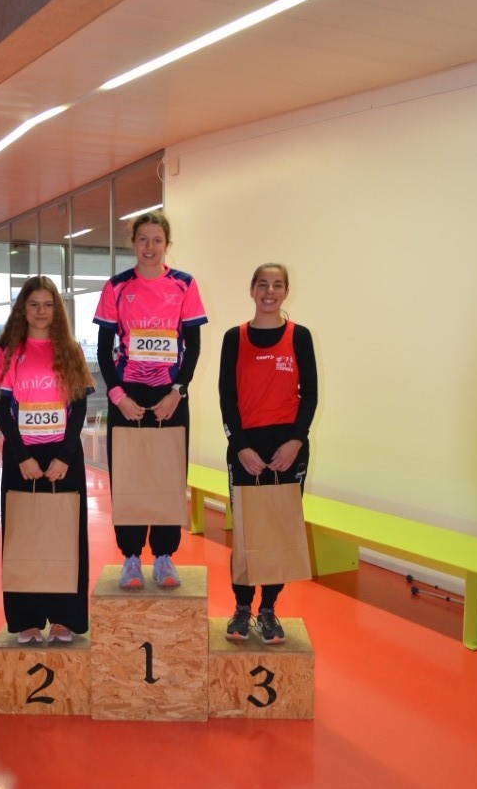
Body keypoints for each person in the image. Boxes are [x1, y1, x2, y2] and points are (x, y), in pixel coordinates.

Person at [94, 210, 207, 589]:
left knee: (167, 475)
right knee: (128, 475)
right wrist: (118, 397)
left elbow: (193, 347)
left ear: (167, 244)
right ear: (133, 243)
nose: (149, 246)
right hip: (126, 398)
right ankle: (130, 557)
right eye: (142, 239)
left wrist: (178, 391)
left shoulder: (184, 285)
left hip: (170, 397)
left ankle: (163, 556)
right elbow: (103, 349)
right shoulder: (116, 287)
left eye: (157, 240)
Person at [0, 275, 94, 644]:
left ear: (56, 310)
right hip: (22, 458)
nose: (41, 312)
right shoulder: (6, 351)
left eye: (48, 305)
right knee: (24, 536)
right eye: (34, 305)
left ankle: (65, 617)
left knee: (66, 536)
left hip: (64, 458)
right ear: (23, 309)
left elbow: (79, 408)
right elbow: (2, 410)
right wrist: (22, 457)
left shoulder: (70, 350)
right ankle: (26, 618)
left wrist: (64, 456)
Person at [218, 262, 318, 644]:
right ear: (252, 290)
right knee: (246, 531)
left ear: (286, 292)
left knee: (277, 530)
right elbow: (227, 398)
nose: (269, 292)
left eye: (277, 285)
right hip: (246, 449)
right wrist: (239, 446)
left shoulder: (300, 336)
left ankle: (268, 610)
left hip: (289, 448)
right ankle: (242, 608)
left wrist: (295, 441)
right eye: (263, 284)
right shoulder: (234, 337)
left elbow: (310, 395)